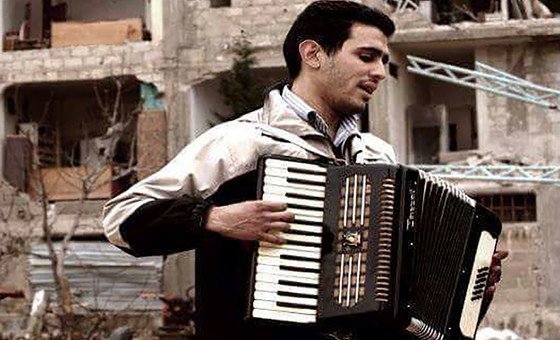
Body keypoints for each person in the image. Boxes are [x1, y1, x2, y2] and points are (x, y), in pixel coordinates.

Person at [102, 1, 506, 339]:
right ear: (312, 54)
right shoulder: (240, 143)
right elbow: (120, 220)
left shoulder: (376, 155)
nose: (381, 72)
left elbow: (404, 294)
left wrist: (470, 283)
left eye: (383, 60)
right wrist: (214, 218)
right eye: (366, 56)